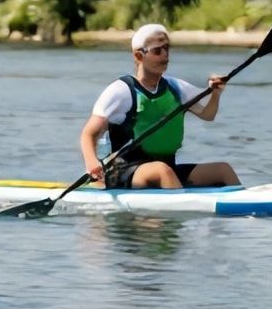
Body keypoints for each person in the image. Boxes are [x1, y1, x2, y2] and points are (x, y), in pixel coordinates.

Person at [78, 24, 238, 190]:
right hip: (124, 169)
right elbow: (89, 134)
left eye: (167, 48)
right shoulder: (122, 91)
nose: (165, 55)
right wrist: (91, 163)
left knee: (222, 170)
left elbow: (208, 115)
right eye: (157, 51)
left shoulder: (176, 87)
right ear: (139, 56)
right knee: (162, 171)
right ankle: (180, 202)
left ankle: (243, 203)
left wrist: (216, 94)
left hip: (167, 166)